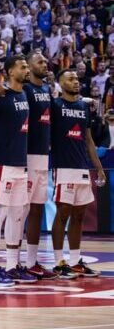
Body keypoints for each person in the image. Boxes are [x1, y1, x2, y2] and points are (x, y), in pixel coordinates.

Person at [0, 55, 36, 285]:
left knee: (18, 214)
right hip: (1, 163)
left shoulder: (23, 94)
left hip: (20, 163)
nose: (27, 69)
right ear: (8, 71)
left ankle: (13, 266)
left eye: (27, 66)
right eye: (22, 67)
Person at [50, 69, 104, 279]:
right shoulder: (55, 106)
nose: (75, 82)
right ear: (60, 83)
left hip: (82, 166)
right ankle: (58, 262)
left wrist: (97, 166)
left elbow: (89, 141)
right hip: (63, 167)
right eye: (70, 79)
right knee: (63, 213)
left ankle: (75, 261)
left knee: (79, 215)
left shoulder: (84, 107)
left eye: (76, 79)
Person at [22, 52, 58, 280]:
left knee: (36, 208)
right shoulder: (23, 90)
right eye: (40, 62)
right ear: (28, 66)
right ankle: (11, 261)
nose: (45, 65)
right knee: (19, 210)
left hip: (43, 156)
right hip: (24, 155)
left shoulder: (46, 90)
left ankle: (31, 262)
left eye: (46, 62)